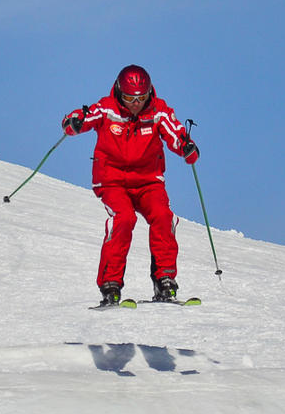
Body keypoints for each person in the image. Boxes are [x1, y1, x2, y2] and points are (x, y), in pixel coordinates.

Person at [62, 65, 199, 306]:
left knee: (163, 216)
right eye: (129, 98)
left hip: (147, 180)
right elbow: (82, 118)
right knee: (124, 218)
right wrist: (73, 122)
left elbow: (174, 133)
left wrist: (186, 147)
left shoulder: (158, 111)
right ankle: (110, 285)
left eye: (141, 98)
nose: (135, 104)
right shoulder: (107, 108)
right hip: (113, 180)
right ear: (118, 91)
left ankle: (164, 281)